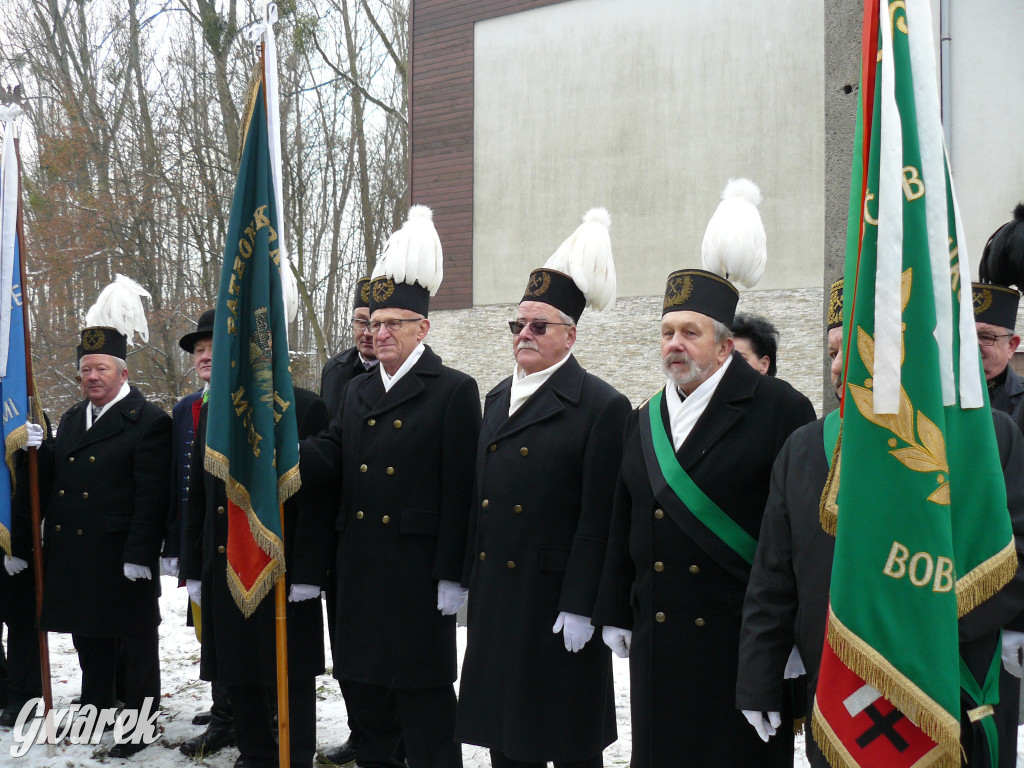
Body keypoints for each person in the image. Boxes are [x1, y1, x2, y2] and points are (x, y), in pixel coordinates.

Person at [737, 278, 1024, 768]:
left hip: (949, 681)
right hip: (839, 691)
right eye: (831, 352)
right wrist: (759, 680)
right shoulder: (804, 448)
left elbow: (1012, 545)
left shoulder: (987, 434)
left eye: (854, 347)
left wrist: (923, 626)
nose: (838, 366)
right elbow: (772, 577)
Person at [591, 180, 816, 768]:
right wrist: (617, 605)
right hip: (660, 636)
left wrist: (790, 635)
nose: (675, 345)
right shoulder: (644, 418)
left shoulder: (779, 409)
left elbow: (794, 537)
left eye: (690, 332)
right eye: (667, 332)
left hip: (740, 641)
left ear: (723, 344)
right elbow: (627, 518)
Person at [300, 205, 481, 768]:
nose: (378, 334)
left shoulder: (452, 389)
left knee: (423, 703)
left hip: (416, 572)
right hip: (358, 567)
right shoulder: (356, 390)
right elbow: (334, 449)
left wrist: (453, 573)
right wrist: (277, 461)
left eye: (392, 324)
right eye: (373, 324)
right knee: (366, 695)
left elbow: (461, 488)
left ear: (422, 328)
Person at [456, 209, 630, 768]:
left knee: (568, 736)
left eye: (538, 326)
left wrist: (583, 606)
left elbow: (600, 517)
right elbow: (479, 501)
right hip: (499, 598)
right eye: (517, 325)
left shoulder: (603, 406)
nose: (523, 335)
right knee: (507, 735)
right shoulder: (497, 397)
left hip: (556, 604)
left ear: (570, 335)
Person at [23, 314, 171, 758]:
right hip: (74, 550)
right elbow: (56, 478)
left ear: (123, 373)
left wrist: (141, 553)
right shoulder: (71, 418)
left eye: (101, 368)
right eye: (85, 369)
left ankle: (139, 726)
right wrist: (36, 451)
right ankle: (96, 707)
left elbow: (153, 496)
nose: (91, 376)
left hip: (120, 551)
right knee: (89, 636)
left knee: (135, 639)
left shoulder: (148, 420)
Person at [180, 382, 332, 768]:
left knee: (292, 671)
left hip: (286, 565)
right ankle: (255, 755)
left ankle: (295, 756)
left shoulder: (306, 404)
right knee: (238, 663)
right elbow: (200, 491)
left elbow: (319, 500)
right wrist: (193, 567)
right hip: (227, 558)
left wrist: (310, 571)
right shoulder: (216, 409)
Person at [162, 309, 237, 758]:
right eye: (198, 351)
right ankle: (222, 704)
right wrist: (177, 542)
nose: (204, 357)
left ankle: (239, 710)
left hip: (235, 534)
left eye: (212, 349)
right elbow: (179, 480)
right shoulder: (185, 408)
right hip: (199, 535)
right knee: (206, 630)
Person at [319, 276, 378, 768]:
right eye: (361, 322)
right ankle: (360, 729)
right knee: (345, 639)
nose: (367, 333)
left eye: (376, 323)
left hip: (386, 523)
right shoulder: (335, 372)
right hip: (340, 523)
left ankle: (388, 735)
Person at [973, 204, 1024, 432]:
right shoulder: (930, 397)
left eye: (986, 337)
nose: (974, 348)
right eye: (965, 336)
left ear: (1012, 345)